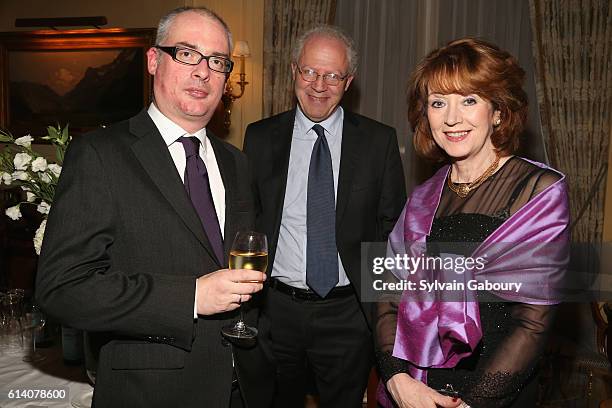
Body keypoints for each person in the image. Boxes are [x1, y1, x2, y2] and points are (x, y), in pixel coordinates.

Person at [35, 7, 273, 408]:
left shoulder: (237, 162)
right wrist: (191, 298)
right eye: (187, 53)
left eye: (217, 61)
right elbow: (62, 289)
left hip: (243, 388)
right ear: (153, 61)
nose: (203, 72)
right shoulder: (99, 155)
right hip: (151, 393)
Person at [375, 38, 570, 408]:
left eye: (469, 100)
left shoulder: (538, 191)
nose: (451, 117)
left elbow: (533, 323)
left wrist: (472, 403)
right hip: (421, 392)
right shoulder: (422, 198)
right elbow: (387, 294)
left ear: (497, 110)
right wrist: (398, 379)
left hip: (495, 396)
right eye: (438, 103)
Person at [243, 25, 406, 407]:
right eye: (310, 72)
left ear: (348, 81)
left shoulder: (377, 142)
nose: (319, 85)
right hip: (274, 310)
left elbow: (392, 232)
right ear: (294, 71)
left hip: (347, 315)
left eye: (333, 75)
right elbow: (247, 221)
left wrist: (387, 317)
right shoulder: (260, 138)